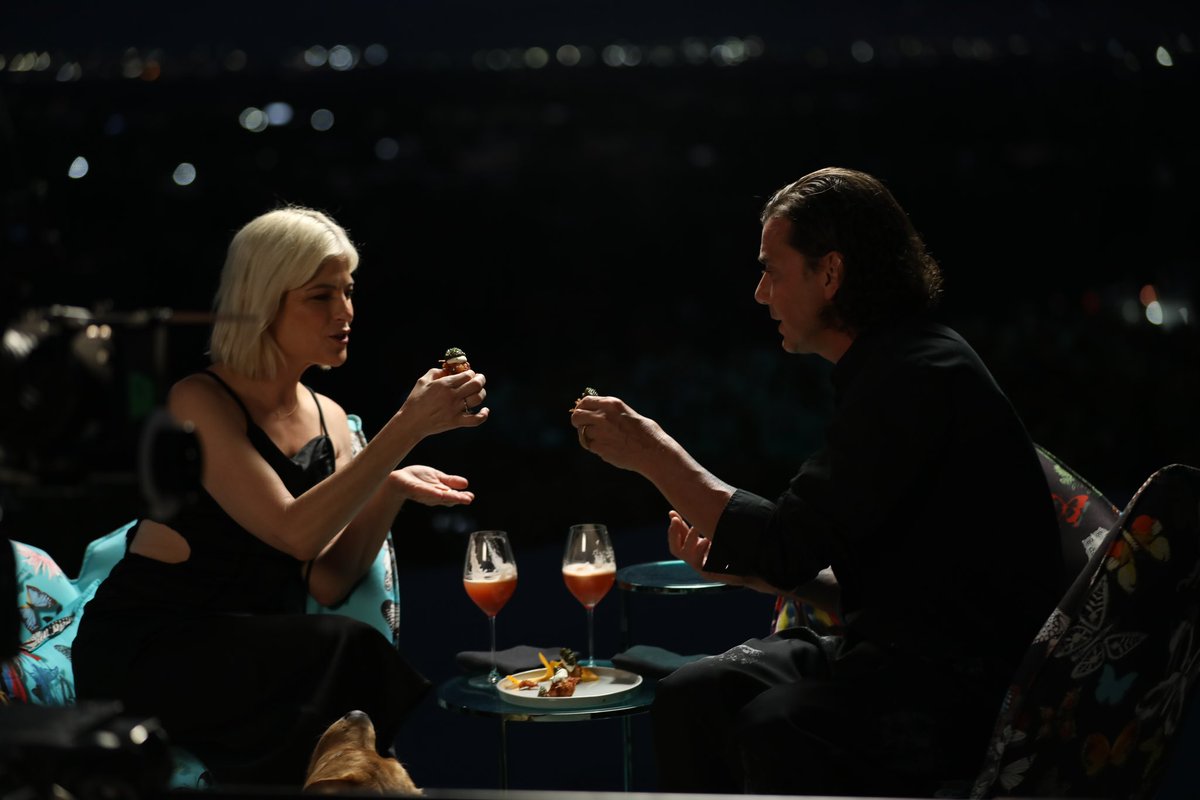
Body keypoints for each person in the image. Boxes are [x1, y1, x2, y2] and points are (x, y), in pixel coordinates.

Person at [569, 167, 1064, 796]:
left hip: (963, 688)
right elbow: (881, 580)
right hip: (893, 650)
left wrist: (650, 452)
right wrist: (755, 573)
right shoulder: (892, 367)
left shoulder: (917, 377)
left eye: (772, 271)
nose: (760, 294)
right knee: (693, 694)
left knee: (778, 726)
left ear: (830, 273)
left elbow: (788, 543)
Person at [73, 206, 489, 785]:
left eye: (348, 291)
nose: (345, 311)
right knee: (344, 654)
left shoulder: (332, 419)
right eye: (321, 296)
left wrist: (390, 489)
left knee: (335, 671)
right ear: (262, 301)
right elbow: (294, 533)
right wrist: (406, 429)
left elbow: (327, 581)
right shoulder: (200, 401)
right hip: (153, 646)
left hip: (262, 653)